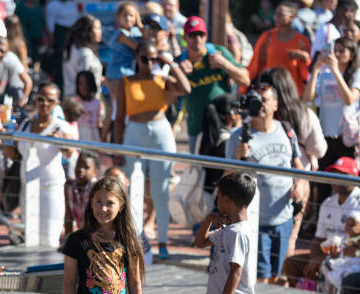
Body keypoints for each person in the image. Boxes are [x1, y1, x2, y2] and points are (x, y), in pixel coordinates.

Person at [115, 40, 191, 260]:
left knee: (161, 187)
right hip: (134, 131)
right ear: (137, 59)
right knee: (132, 186)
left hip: (160, 131)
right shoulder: (126, 82)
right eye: (144, 58)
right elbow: (119, 117)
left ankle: (164, 241)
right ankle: (135, 239)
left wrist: (170, 63)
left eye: (153, 58)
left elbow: (186, 89)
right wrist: (117, 148)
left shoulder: (163, 79)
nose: (149, 63)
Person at [226, 83, 307, 284]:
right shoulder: (238, 137)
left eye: (264, 99)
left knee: (278, 276)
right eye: (256, 99)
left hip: (283, 217)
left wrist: (300, 183)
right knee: (259, 277)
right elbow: (226, 178)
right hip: (255, 221)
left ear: (275, 105)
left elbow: (298, 165)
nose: (260, 104)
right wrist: (238, 159)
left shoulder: (286, 130)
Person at [258, 67, 327, 256]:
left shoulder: (260, 115)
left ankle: (265, 273)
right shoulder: (304, 114)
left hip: (265, 179)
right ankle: (280, 274)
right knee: (289, 236)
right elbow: (320, 149)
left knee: (260, 232)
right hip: (297, 182)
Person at [176, 16, 250, 155]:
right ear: (185, 38)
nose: (197, 38)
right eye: (192, 35)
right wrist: (180, 74)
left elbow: (245, 80)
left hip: (225, 127)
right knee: (200, 172)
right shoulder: (181, 62)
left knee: (229, 170)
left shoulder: (218, 52)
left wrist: (224, 64)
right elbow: (170, 94)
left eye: (201, 34)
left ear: (206, 36)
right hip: (197, 129)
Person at [282, 157, 360, 287]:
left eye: (342, 175)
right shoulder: (328, 203)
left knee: (328, 267)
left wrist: (319, 260)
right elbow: (319, 239)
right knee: (291, 263)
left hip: (352, 257)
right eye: (334, 174)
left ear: (354, 176)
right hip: (328, 255)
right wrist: (313, 260)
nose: (337, 179)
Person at [13, 82, 74, 247]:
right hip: (27, 188)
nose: (44, 103)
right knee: (30, 240)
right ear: (35, 100)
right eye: (41, 99)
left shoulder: (61, 126)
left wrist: (61, 140)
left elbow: (70, 152)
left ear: (57, 103)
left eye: (50, 100)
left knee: (49, 240)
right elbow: (14, 153)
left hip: (50, 190)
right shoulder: (26, 124)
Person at [303, 36, 360, 202]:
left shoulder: (356, 74)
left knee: (346, 187)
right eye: (335, 50)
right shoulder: (325, 75)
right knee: (323, 187)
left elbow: (349, 99)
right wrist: (316, 70)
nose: (337, 54)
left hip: (346, 140)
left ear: (352, 54)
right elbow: (307, 97)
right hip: (326, 137)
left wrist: (335, 71)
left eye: (342, 51)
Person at [246, 1, 312, 96]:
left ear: (292, 16)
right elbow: (255, 64)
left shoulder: (301, 41)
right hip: (270, 90)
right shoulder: (266, 37)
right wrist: (244, 86)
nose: (276, 17)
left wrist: (305, 58)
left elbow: (306, 72)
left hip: (293, 91)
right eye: (275, 14)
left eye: (280, 14)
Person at [104, 166, 154, 265]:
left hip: (138, 255)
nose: (113, 183)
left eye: (117, 178)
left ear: (127, 182)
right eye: (109, 179)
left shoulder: (133, 203)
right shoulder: (102, 205)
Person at [104, 2, 143, 106]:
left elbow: (145, 35)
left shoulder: (134, 31)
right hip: (118, 74)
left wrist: (139, 23)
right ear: (118, 17)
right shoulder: (121, 34)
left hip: (127, 72)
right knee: (117, 107)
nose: (128, 18)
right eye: (125, 15)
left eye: (131, 15)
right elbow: (139, 48)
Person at [63, 15, 103, 97]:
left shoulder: (71, 48)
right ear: (87, 31)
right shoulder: (85, 53)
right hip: (84, 104)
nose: (100, 31)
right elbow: (84, 82)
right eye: (97, 28)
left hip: (70, 97)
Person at [45, 0, 82, 88]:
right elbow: (50, 25)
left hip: (74, 35)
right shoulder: (53, 5)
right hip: (61, 36)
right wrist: (52, 40)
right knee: (61, 63)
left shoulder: (72, 3)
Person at [64, 151, 99, 237]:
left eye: (86, 167)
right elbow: (69, 217)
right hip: (82, 234)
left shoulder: (97, 188)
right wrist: (67, 240)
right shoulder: (69, 186)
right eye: (78, 166)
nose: (80, 169)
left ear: (95, 172)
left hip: (97, 235)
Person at [75, 71, 105, 144]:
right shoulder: (75, 102)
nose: (83, 87)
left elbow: (99, 124)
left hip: (93, 139)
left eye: (86, 84)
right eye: (80, 83)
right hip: (79, 139)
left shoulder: (97, 103)